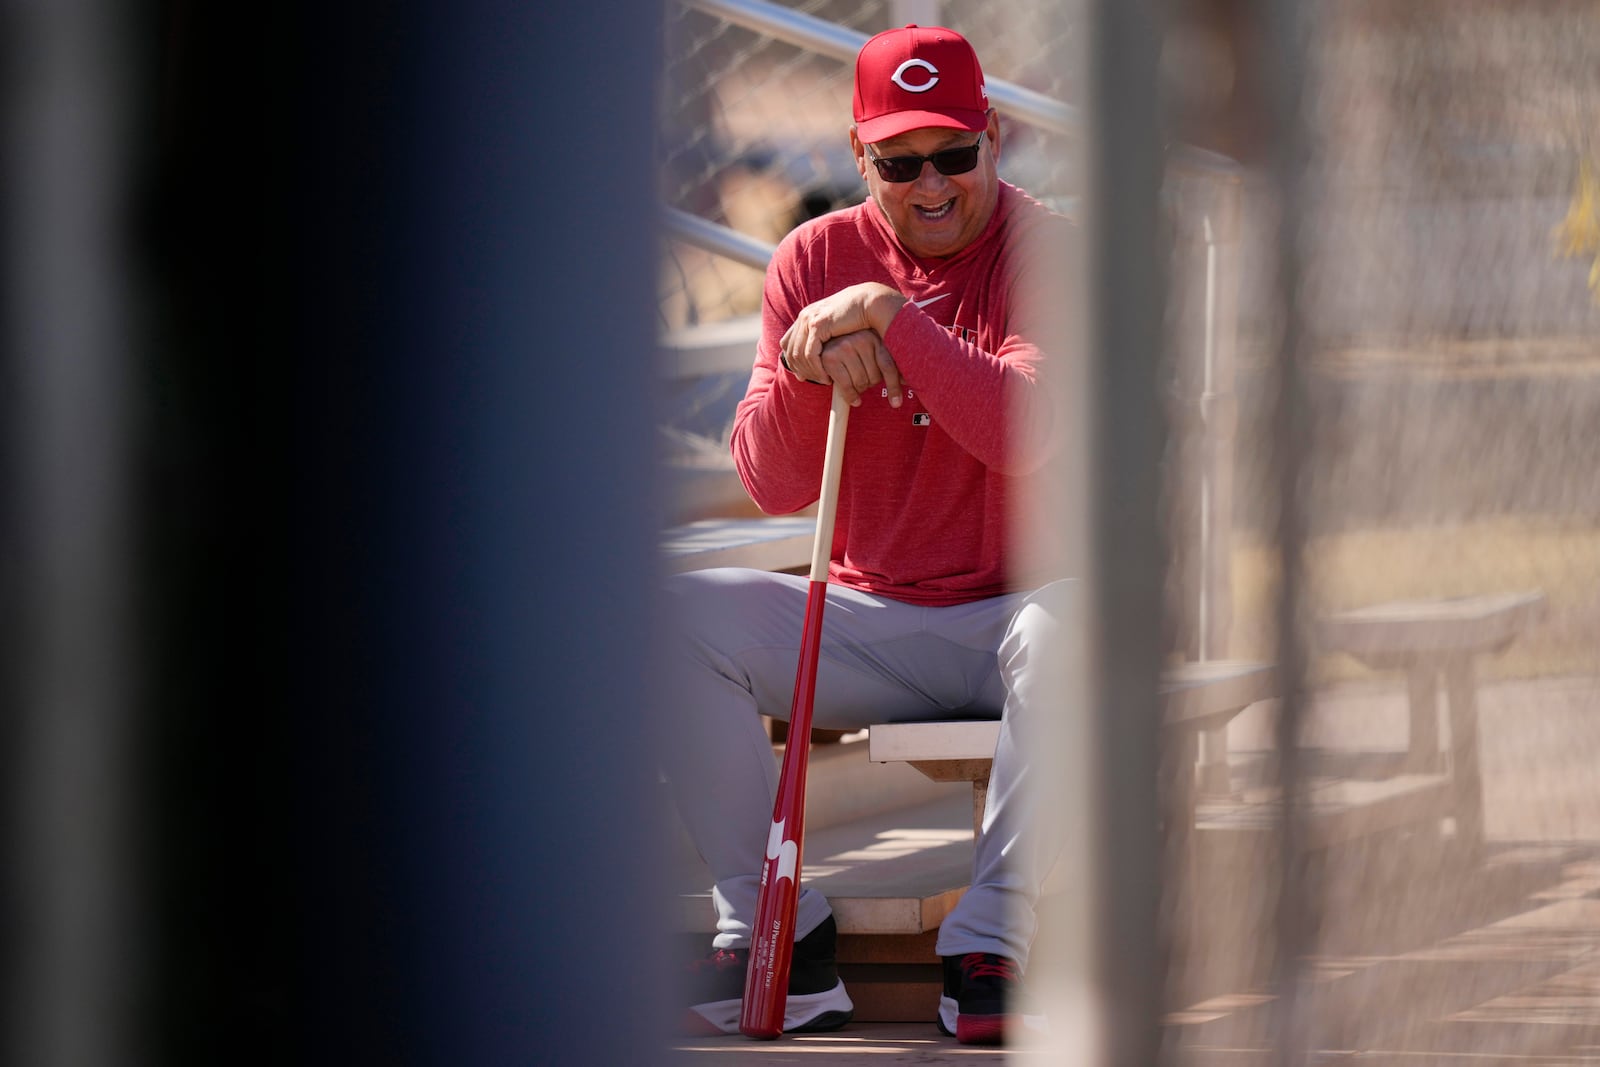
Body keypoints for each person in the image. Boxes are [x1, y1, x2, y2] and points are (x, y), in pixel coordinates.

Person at [663, 24, 1078, 1046]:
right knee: (664, 618)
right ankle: (774, 927)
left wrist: (894, 320)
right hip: (872, 614)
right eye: (898, 163)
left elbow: (1024, 431)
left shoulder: (1047, 249)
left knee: (1081, 631)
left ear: (994, 138)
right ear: (859, 158)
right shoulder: (811, 257)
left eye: (952, 154)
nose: (929, 185)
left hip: (1023, 608)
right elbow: (770, 482)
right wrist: (809, 376)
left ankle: (990, 936)